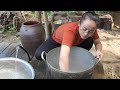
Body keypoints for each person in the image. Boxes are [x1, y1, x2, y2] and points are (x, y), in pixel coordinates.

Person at [35, 11, 103, 72]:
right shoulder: (70, 31)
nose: (86, 33)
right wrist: (67, 74)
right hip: (57, 41)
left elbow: (98, 43)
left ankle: (74, 52)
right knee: (38, 55)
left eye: (90, 31)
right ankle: (66, 50)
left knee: (90, 41)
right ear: (79, 24)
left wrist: (98, 50)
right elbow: (63, 56)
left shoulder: (91, 29)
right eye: (84, 29)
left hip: (75, 42)